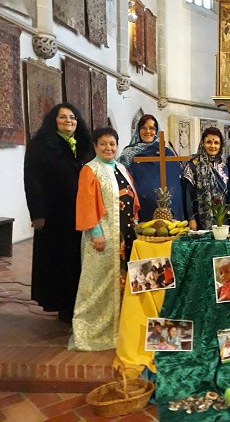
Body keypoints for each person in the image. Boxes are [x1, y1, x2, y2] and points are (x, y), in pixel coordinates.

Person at [69, 127, 139, 351]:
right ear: (95, 146)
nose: (109, 148)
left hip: (125, 235)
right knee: (98, 285)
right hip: (103, 237)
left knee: (122, 282)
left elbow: (131, 200)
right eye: (104, 144)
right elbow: (86, 203)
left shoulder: (121, 168)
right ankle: (92, 332)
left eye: (112, 144)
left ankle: (119, 330)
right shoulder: (91, 170)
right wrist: (96, 233)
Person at [24, 102, 94, 324]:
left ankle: (81, 302)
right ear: (54, 120)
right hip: (55, 215)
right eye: (63, 117)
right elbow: (32, 180)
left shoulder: (85, 145)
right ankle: (63, 305)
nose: (68, 121)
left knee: (79, 259)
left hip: (82, 212)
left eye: (72, 118)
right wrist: (38, 214)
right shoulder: (40, 146)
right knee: (60, 261)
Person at [118, 114, 184, 222]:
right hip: (142, 209)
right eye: (143, 128)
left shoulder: (167, 153)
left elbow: (176, 179)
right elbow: (121, 180)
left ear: (157, 131)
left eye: (152, 128)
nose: (148, 131)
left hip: (169, 210)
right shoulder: (128, 154)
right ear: (138, 131)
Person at [181, 127, 229, 230]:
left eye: (216, 143)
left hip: (223, 218)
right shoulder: (193, 165)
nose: (213, 146)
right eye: (208, 142)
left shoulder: (225, 165)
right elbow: (188, 195)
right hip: (199, 218)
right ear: (202, 144)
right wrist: (191, 218)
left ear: (221, 146)